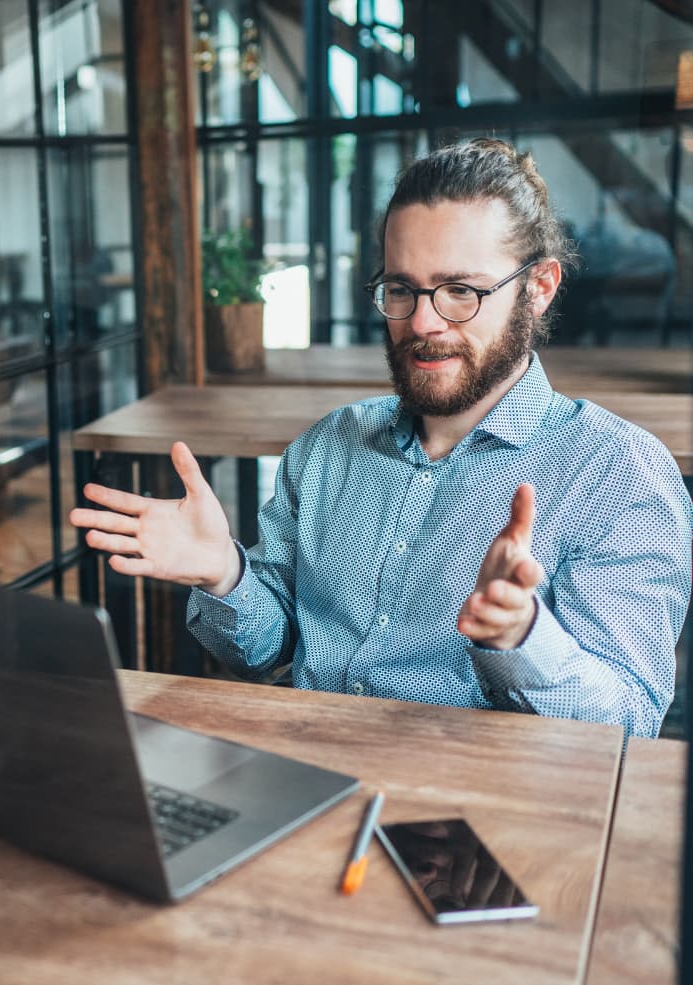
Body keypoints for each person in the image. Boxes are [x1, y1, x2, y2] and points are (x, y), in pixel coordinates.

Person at [69, 138, 693, 739]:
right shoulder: (327, 446)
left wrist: (524, 637)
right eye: (401, 289)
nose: (422, 321)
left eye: (461, 292)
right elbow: (269, 652)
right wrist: (226, 575)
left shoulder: (620, 474)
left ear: (539, 287)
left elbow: (628, 728)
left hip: (470, 823)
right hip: (302, 782)